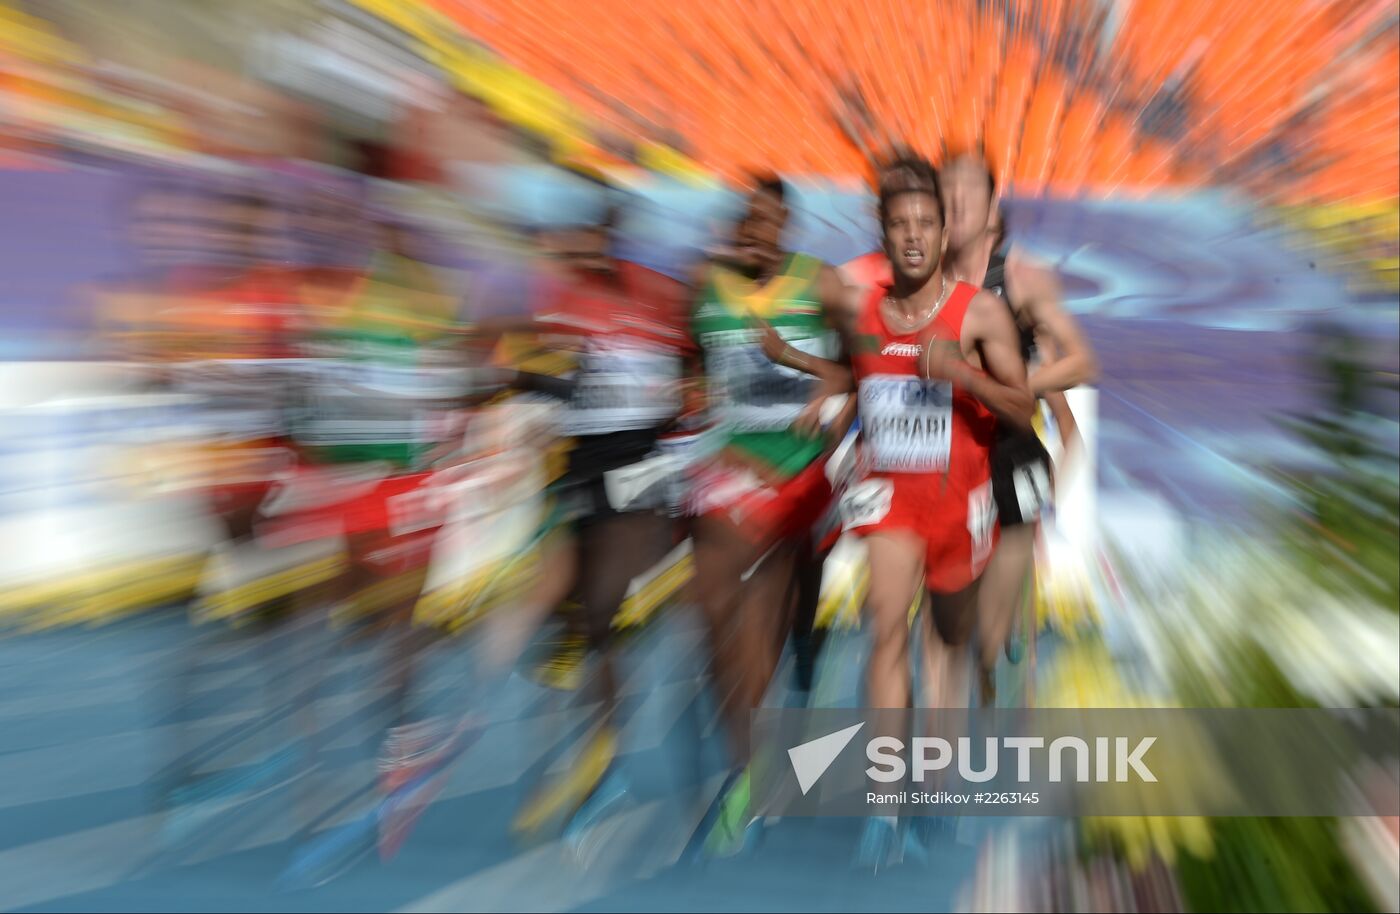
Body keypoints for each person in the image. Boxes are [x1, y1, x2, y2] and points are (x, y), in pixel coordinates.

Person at [826, 157, 1034, 864]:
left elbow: (1024, 407)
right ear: (882, 234)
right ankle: (886, 808)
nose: (913, 237)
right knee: (886, 629)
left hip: (960, 510)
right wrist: (831, 416)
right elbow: (854, 380)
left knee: (950, 635)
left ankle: (938, 774)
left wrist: (963, 373)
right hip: (891, 502)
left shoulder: (980, 311)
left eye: (925, 223)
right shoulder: (862, 315)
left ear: (946, 232)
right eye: (899, 224)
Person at [685, 175, 852, 857]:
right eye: (747, 220)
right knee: (709, 613)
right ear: (735, 226)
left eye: (770, 221)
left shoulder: (823, 283)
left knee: (765, 616)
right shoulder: (704, 287)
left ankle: (747, 770)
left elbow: (863, 367)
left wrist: (831, 387)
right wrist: (692, 396)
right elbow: (687, 365)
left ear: (788, 227)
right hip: (730, 463)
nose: (757, 232)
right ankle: (748, 750)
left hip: (799, 468)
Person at [939, 152, 1097, 703]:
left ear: (991, 212)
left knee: (1011, 553)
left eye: (969, 193)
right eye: (947, 192)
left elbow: (1076, 376)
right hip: (951, 448)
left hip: (1012, 447)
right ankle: (980, 647)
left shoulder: (1022, 278)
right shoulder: (923, 275)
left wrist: (1021, 387)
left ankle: (992, 649)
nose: (956, 204)